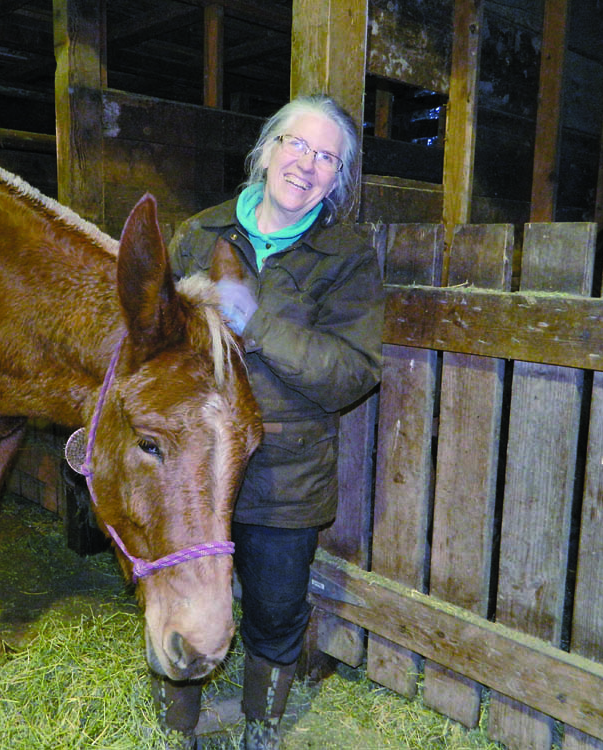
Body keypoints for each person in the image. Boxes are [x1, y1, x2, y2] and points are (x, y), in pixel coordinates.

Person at [154, 94, 383, 750]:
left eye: (327, 158)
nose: (307, 165)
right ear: (268, 149)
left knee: (277, 610)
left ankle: (261, 723)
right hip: (193, 469)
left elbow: (353, 371)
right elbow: (151, 340)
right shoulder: (199, 233)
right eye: (298, 145)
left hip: (285, 472)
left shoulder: (346, 255)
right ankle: (179, 726)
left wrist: (257, 325)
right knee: (184, 594)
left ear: (337, 179)